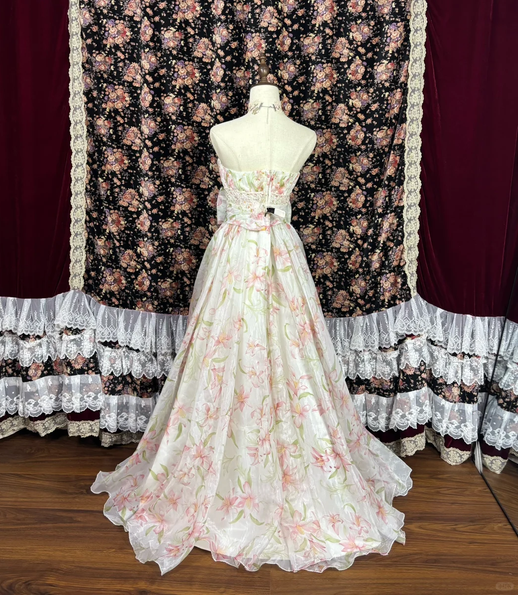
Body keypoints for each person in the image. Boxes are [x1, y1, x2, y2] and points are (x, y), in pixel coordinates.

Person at [92, 57, 412, 574]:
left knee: (284, 352)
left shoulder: (289, 134)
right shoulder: (237, 131)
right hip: (251, 252)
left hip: (255, 251)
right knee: (223, 352)